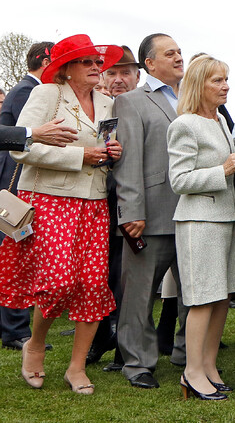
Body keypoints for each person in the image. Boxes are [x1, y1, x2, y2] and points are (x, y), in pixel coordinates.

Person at [0, 34, 123, 394]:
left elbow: (105, 144)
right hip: (50, 198)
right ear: (67, 68)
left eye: (98, 62)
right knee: (57, 281)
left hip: (95, 200)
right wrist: (78, 157)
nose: (96, 68)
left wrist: (112, 151)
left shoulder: (106, 101)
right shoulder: (46, 95)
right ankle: (34, 344)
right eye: (87, 62)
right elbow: (22, 150)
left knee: (93, 284)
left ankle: (76, 367)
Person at [167, 55, 235, 400]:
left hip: (225, 220)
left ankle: (209, 367)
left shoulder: (220, 122)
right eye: (217, 80)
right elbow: (178, 180)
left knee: (221, 299)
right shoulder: (185, 124)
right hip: (198, 221)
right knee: (202, 300)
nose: (225, 86)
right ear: (200, 85)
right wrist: (224, 170)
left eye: (226, 79)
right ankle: (191, 373)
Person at [113, 33, 188, 389]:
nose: (178, 58)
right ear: (150, 63)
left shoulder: (194, 97)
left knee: (196, 290)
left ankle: (187, 353)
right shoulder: (131, 102)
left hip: (194, 212)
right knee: (141, 294)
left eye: (180, 52)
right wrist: (131, 212)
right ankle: (138, 363)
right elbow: (127, 162)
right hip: (151, 215)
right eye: (169, 53)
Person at [87, 46, 142, 371]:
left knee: (131, 281)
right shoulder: (104, 110)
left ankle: (126, 346)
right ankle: (105, 338)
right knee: (106, 276)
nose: (118, 79)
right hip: (104, 203)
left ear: (138, 76)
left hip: (142, 207)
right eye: (112, 73)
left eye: (125, 73)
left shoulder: (151, 105)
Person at [0, 41, 54, 352]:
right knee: (15, 254)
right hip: (15, 184)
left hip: (17, 184)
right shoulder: (26, 91)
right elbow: (24, 140)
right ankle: (15, 331)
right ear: (45, 60)